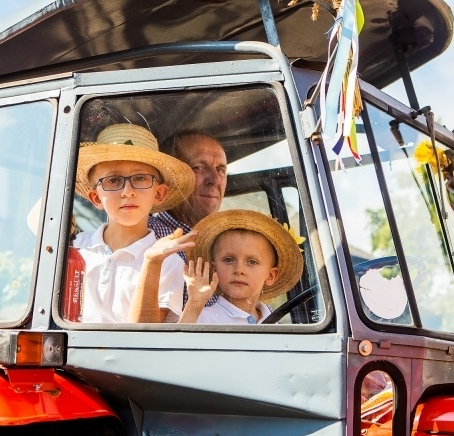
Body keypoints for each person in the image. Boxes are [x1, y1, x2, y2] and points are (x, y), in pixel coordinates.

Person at [71, 123, 196, 323]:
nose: (127, 191)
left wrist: (152, 262)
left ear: (159, 193)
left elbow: (145, 335)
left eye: (140, 178)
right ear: (95, 198)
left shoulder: (168, 262)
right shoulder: (74, 248)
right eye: (113, 180)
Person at [178, 210, 304, 324]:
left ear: (270, 276)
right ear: (214, 270)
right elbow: (180, 341)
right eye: (229, 260)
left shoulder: (273, 322)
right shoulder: (205, 318)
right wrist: (194, 304)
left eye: (252, 262)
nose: (239, 270)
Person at [148, 130, 228, 244]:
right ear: (168, 177)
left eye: (220, 170)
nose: (216, 180)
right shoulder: (148, 238)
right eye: (199, 168)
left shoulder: (225, 242)